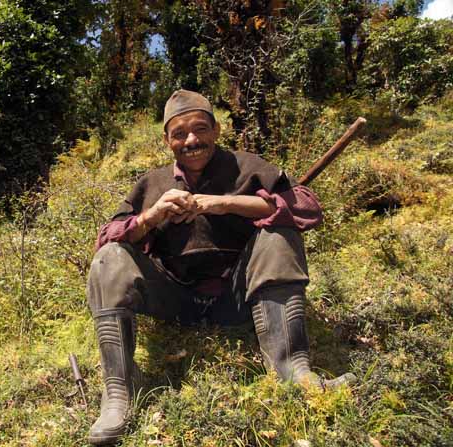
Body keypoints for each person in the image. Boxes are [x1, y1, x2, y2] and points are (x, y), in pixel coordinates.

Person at [86, 89, 354, 445]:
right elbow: (107, 237)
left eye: (200, 129)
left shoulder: (249, 167)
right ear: (167, 140)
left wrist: (227, 203)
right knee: (110, 257)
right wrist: (151, 216)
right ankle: (118, 393)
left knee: (278, 232)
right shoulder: (152, 183)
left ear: (216, 130)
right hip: (176, 301)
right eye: (179, 133)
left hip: (239, 298)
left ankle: (292, 370)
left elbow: (306, 208)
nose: (191, 140)